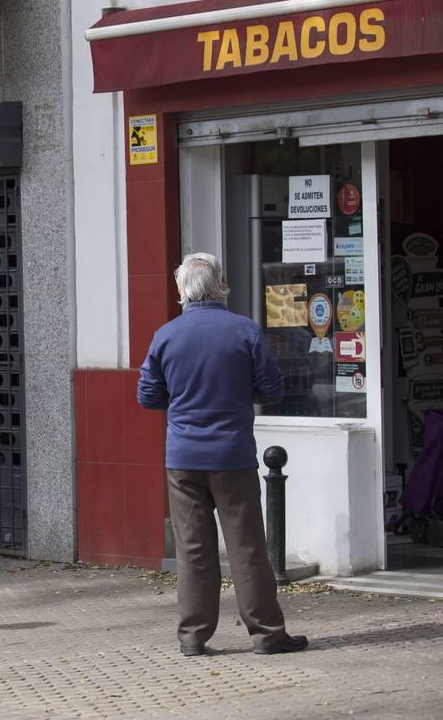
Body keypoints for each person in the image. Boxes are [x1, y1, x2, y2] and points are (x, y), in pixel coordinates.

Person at [136, 253, 308, 657]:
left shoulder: (166, 335)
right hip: (232, 455)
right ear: (221, 283)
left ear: (182, 290)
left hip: (183, 458)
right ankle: (267, 634)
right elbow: (272, 390)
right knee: (247, 546)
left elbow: (147, 395)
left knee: (193, 549)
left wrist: (181, 396)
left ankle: (193, 638)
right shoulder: (244, 331)